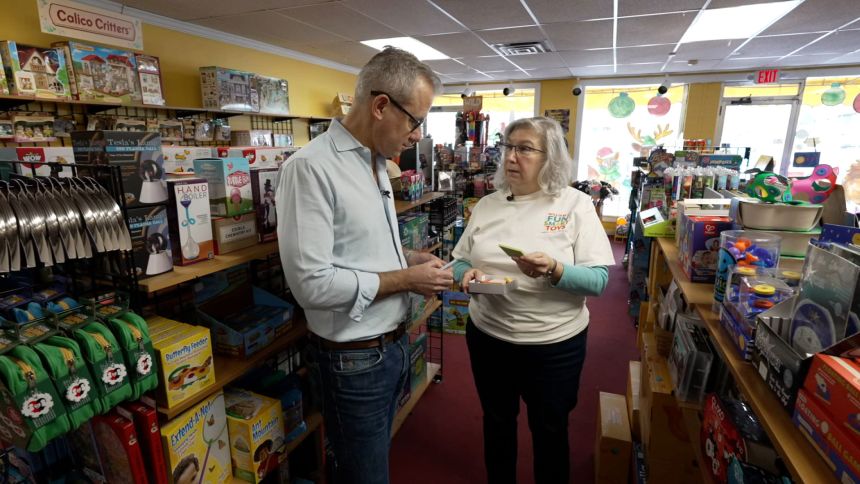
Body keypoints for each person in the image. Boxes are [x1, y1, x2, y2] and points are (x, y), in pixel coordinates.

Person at [276, 47, 453, 484]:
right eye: (415, 121)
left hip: (389, 345)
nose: (417, 136)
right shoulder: (311, 169)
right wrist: (407, 278)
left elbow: (359, 246)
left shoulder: (376, 163)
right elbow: (312, 284)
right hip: (354, 360)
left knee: (362, 465)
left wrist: (410, 258)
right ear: (380, 106)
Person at [450, 116, 615, 484]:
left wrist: (556, 269)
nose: (511, 157)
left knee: (550, 430)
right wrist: (465, 273)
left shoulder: (576, 205)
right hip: (489, 338)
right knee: (496, 423)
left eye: (524, 149)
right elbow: (459, 258)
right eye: (508, 147)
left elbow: (599, 280)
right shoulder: (487, 205)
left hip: (553, 345)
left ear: (551, 158)